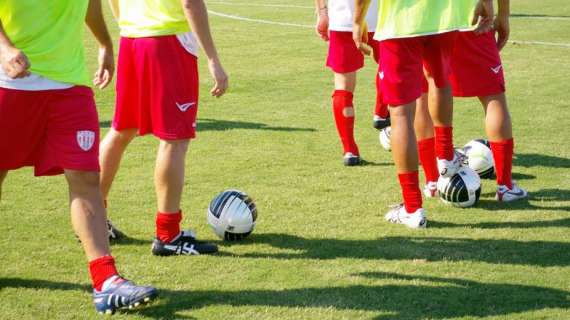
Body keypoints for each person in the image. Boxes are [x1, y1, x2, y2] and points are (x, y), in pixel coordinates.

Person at [0, 0, 157, 314]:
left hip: (70, 85)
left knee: (86, 178)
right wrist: (4, 49)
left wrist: (104, 44)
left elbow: (89, 4)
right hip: (8, 81)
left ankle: (106, 281)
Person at [99, 0, 228, 255]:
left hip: (132, 39)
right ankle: (168, 234)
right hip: (167, 41)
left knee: (122, 130)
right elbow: (190, 3)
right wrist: (213, 59)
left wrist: (130, 25)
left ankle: (91, 220)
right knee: (175, 138)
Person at [353, 0, 495, 228]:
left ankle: (412, 208)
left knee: (400, 115)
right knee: (439, 81)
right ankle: (446, 157)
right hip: (445, 17)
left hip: (401, 22)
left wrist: (357, 21)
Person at [415, 0, 527, 202]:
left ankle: (433, 182)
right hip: (469, 15)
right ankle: (505, 186)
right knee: (493, 96)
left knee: (425, 93)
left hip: (425, 19)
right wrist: (503, 13)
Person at [315, 0, 387, 166]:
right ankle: (381, 113)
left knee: (343, 87)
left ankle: (350, 150)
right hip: (381, 18)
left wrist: (322, 12)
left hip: (343, 19)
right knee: (390, 69)